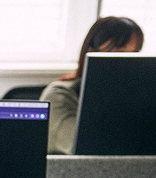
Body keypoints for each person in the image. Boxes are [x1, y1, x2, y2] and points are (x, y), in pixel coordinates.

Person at [40, 16, 143, 154]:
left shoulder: (134, 95)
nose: (128, 63)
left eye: (135, 54)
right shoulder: (58, 95)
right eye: (120, 52)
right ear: (92, 51)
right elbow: (83, 147)